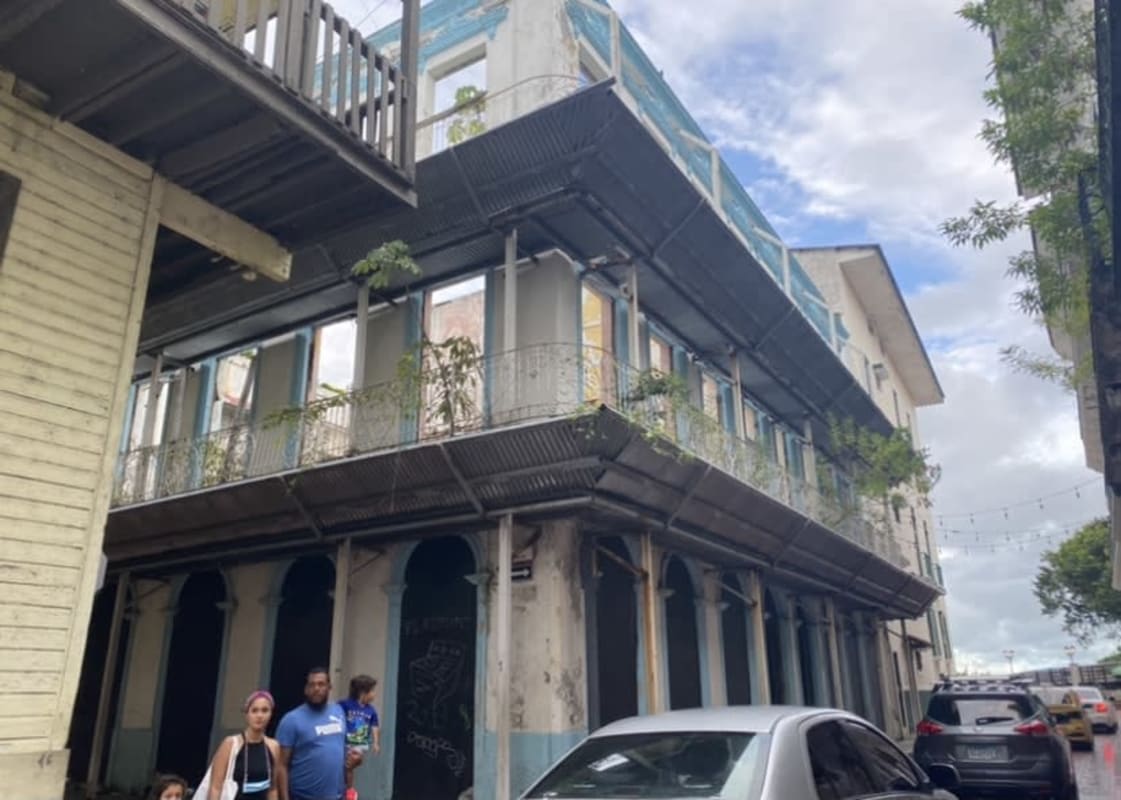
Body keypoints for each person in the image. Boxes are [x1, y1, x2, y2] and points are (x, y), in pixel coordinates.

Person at [277, 667, 356, 800]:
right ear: (306, 689)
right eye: (312, 685)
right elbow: (281, 765)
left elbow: (345, 754)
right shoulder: (291, 720)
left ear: (329, 687)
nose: (316, 688)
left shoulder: (338, 712)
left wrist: (354, 763)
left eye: (321, 684)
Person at [202, 690, 281, 800]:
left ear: (271, 714)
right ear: (247, 714)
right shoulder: (230, 744)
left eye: (265, 710)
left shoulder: (274, 746)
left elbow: (273, 789)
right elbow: (216, 786)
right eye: (254, 711)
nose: (259, 715)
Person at [339, 675, 381, 800]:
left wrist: (376, 743)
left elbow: (374, 726)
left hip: (359, 742)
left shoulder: (371, 710)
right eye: (372, 691)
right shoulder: (345, 704)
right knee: (343, 765)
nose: (374, 694)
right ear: (363, 692)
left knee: (350, 763)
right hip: (344, 741)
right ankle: (344, 788)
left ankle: (349, 789)